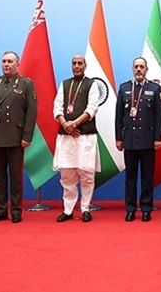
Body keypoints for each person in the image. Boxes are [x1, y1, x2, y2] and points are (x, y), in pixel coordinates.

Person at [0, 51, 37, 224]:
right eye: (4, 61)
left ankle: (16, 210)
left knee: (15, 177)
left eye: (10, 61)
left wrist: (27, 136)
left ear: (17, 64)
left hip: (16, 136)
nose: (6, 64)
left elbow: (31, 113)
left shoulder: (26, 84)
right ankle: (0, 210)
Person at [115, 57, 161, 222]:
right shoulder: (124, 88)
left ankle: (146, 209)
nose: (139, 69)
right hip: (129, 140)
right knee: (130, 177)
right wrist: (118, 138)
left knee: (147, 178)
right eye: (136, 66)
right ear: (132, 69)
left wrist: (158, 138)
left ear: (146, 69)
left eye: (142, 67)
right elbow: (118, 116)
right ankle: (130, 209)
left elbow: (159, 116)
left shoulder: (154, 89)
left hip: (147, 140)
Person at [53, 55, 100, 223]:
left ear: (85, 65)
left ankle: (85, 208)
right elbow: (57, 107)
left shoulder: (91, 84)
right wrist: (65, 124)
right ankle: (68, 210)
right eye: (74, 63)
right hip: (66, 137)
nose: (77, 66)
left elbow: (92, 108)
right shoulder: (65, 84)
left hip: (85, 136)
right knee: (67, 175)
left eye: (80, 63)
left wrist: (74, 124)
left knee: (87, 174)